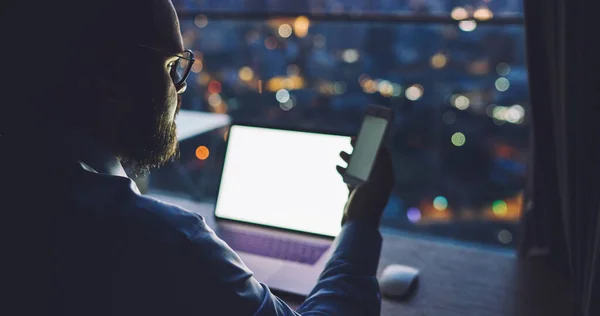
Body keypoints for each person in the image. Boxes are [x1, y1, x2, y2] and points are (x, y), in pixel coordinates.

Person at [3, 0, 394, 315]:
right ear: (109, 78)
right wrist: (360, 219)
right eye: (172, 65)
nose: (181, 87)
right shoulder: (168, 243)